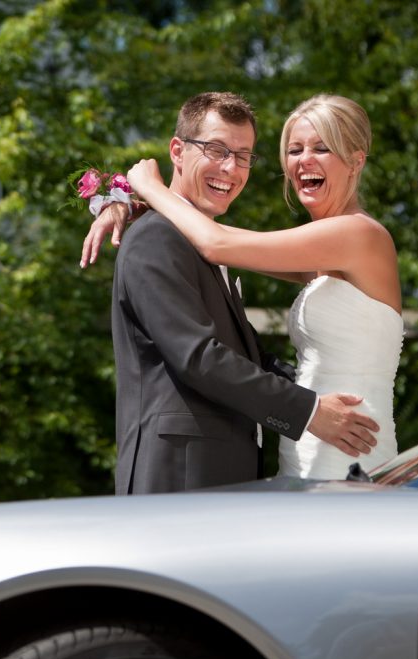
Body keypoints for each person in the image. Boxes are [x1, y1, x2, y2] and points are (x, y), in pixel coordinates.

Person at [87, 91, 380, 494]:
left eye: (243, 156)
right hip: (177, 478)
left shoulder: (203, 239)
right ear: (177, 150)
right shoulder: (157, 237)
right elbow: (199, 357)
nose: (231, 168)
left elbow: (249, 358)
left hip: (219, 474)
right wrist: (309, 411)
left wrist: (322, 394)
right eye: (216, 149)